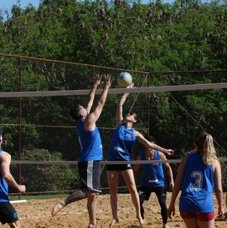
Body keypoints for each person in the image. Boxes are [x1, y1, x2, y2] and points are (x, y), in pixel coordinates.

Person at [106, 86, 174, 228]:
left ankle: (139, 216)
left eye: (131, 114)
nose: (128, 114)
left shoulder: (135, 133)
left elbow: (150, 144)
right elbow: (119, 105)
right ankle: (115, 217)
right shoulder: (120, 125)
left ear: (134, 120)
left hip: (124, 161)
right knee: (113, 190)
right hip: (112, 160)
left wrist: (165, 150)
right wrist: (128, 90)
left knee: (132, 188)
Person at [51, 74, 112, 228]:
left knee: (93, 194)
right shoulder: (89, 121)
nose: (86, 108)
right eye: (84, 108)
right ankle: (64, 202)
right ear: (83, 113)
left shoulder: (82, 121)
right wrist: (106, 87)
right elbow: (101, 102)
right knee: (89, 192)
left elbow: (90, 100)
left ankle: (92, 223)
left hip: (89, 160)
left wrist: (95, 85)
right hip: (90, 161)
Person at [168, 132, 223, 228]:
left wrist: (172, 204)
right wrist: (221, 206)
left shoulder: (187, 158)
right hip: (204, 204)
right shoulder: (214, 162)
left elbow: (177, 184)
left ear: (196, 144)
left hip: (186, 203)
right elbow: (218, 189)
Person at [133, 139, 174, 228]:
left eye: (151, 147)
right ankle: (142, 218)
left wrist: (171, 180)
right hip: (145, 185)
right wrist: (132, 184)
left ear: (154, 147)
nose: (149, 149)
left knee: (163, 203)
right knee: (138, 201)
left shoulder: (160, 155)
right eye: (147, 147)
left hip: (159, 184)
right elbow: (135, 170)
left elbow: (168, 168)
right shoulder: (141, 156)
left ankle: (165, 223)